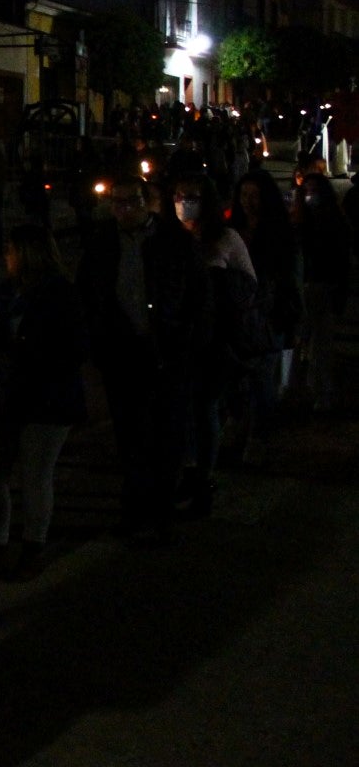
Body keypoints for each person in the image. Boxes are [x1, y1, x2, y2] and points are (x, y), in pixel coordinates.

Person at [76, 174, 207, 546]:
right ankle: (134, 509)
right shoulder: (103, 243)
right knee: (131, 436)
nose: (123, 210)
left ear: (145, 201)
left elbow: (198, 297)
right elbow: (87, 293)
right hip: (122, 354)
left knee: (167, 436)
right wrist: (97, 343)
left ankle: (162, 511)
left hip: (166, 353)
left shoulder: (174, 241)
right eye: (116, 203)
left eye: (130, 202)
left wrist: (186, 342)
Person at [0, 224, 87, 579]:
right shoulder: (6, 293)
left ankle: (32, 547)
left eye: (11, 250)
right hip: (7, 395)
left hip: (46, 399)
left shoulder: (59, 294)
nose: (6, 258)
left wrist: (26, 352)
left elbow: (69, 350)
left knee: (35, 475)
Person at [173, 173, 258, 514]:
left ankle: (203, 476)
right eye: (179, 194)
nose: (184, 201)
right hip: (179, 340)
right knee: (183, 410)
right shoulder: (169, 236)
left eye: (191, 195)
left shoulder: (225, 238)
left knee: (204, 407)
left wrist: (217, 288)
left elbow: (248, 284)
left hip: (214, 340)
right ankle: (185, 472)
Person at [229, 169, 301, 457]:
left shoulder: (280, 235)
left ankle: (259, 437)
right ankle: (239, 431)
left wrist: (293, 320)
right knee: (235, 381)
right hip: (236, 318)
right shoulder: (231, 232)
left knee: (263, 381)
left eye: (255, 196)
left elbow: (290, 280)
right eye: (244, 195)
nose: (248, 201)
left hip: (268, 317)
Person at [292, 170, 349, 412]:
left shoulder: (334, 223)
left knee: (320, 344)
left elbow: (341, 259)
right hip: (303, 286)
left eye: (314, 192)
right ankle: (298, 389)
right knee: (300, 342)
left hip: (323, 286)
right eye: (306, 192)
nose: (309, 196)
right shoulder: (300, 223)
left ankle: (321, 392)